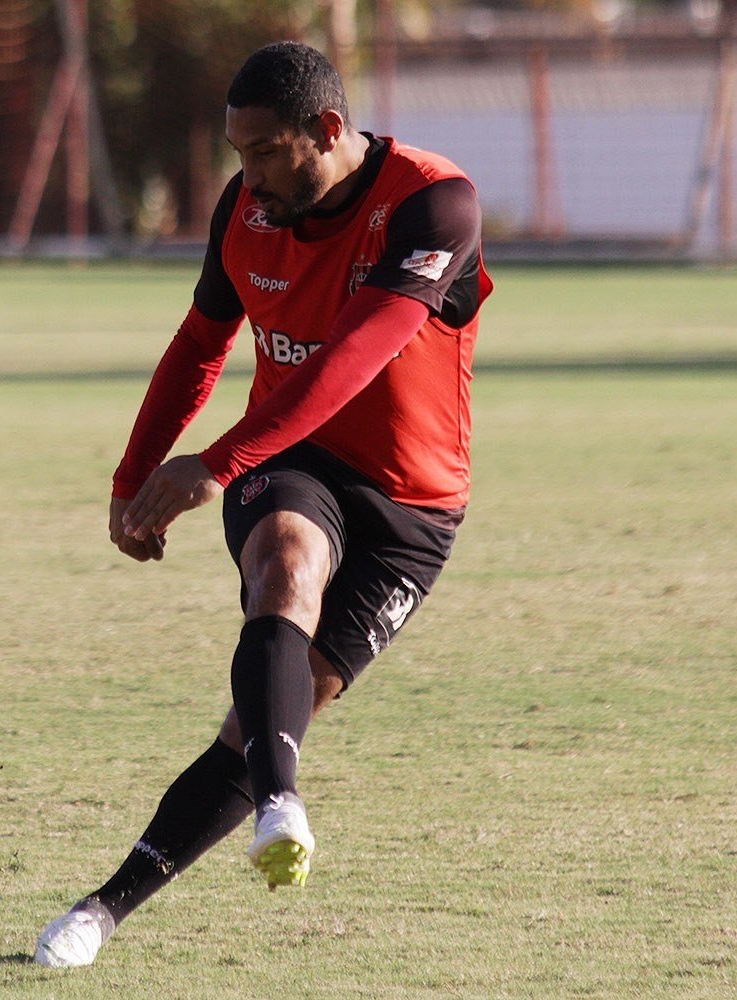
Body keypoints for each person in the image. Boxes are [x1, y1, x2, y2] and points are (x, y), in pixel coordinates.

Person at [34, 40, 493, 969]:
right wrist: (133, 479)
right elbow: (201, 343)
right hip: (292, 455)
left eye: (260, 151)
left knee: (264, 721)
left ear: (326, 131)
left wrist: (214, 460)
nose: (244, 175)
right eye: (235, 153)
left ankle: (106, 900)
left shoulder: (433, 203)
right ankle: (277, 805)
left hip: (416, 506)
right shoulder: (247, 208)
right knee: (285, 565)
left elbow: (355, 357)